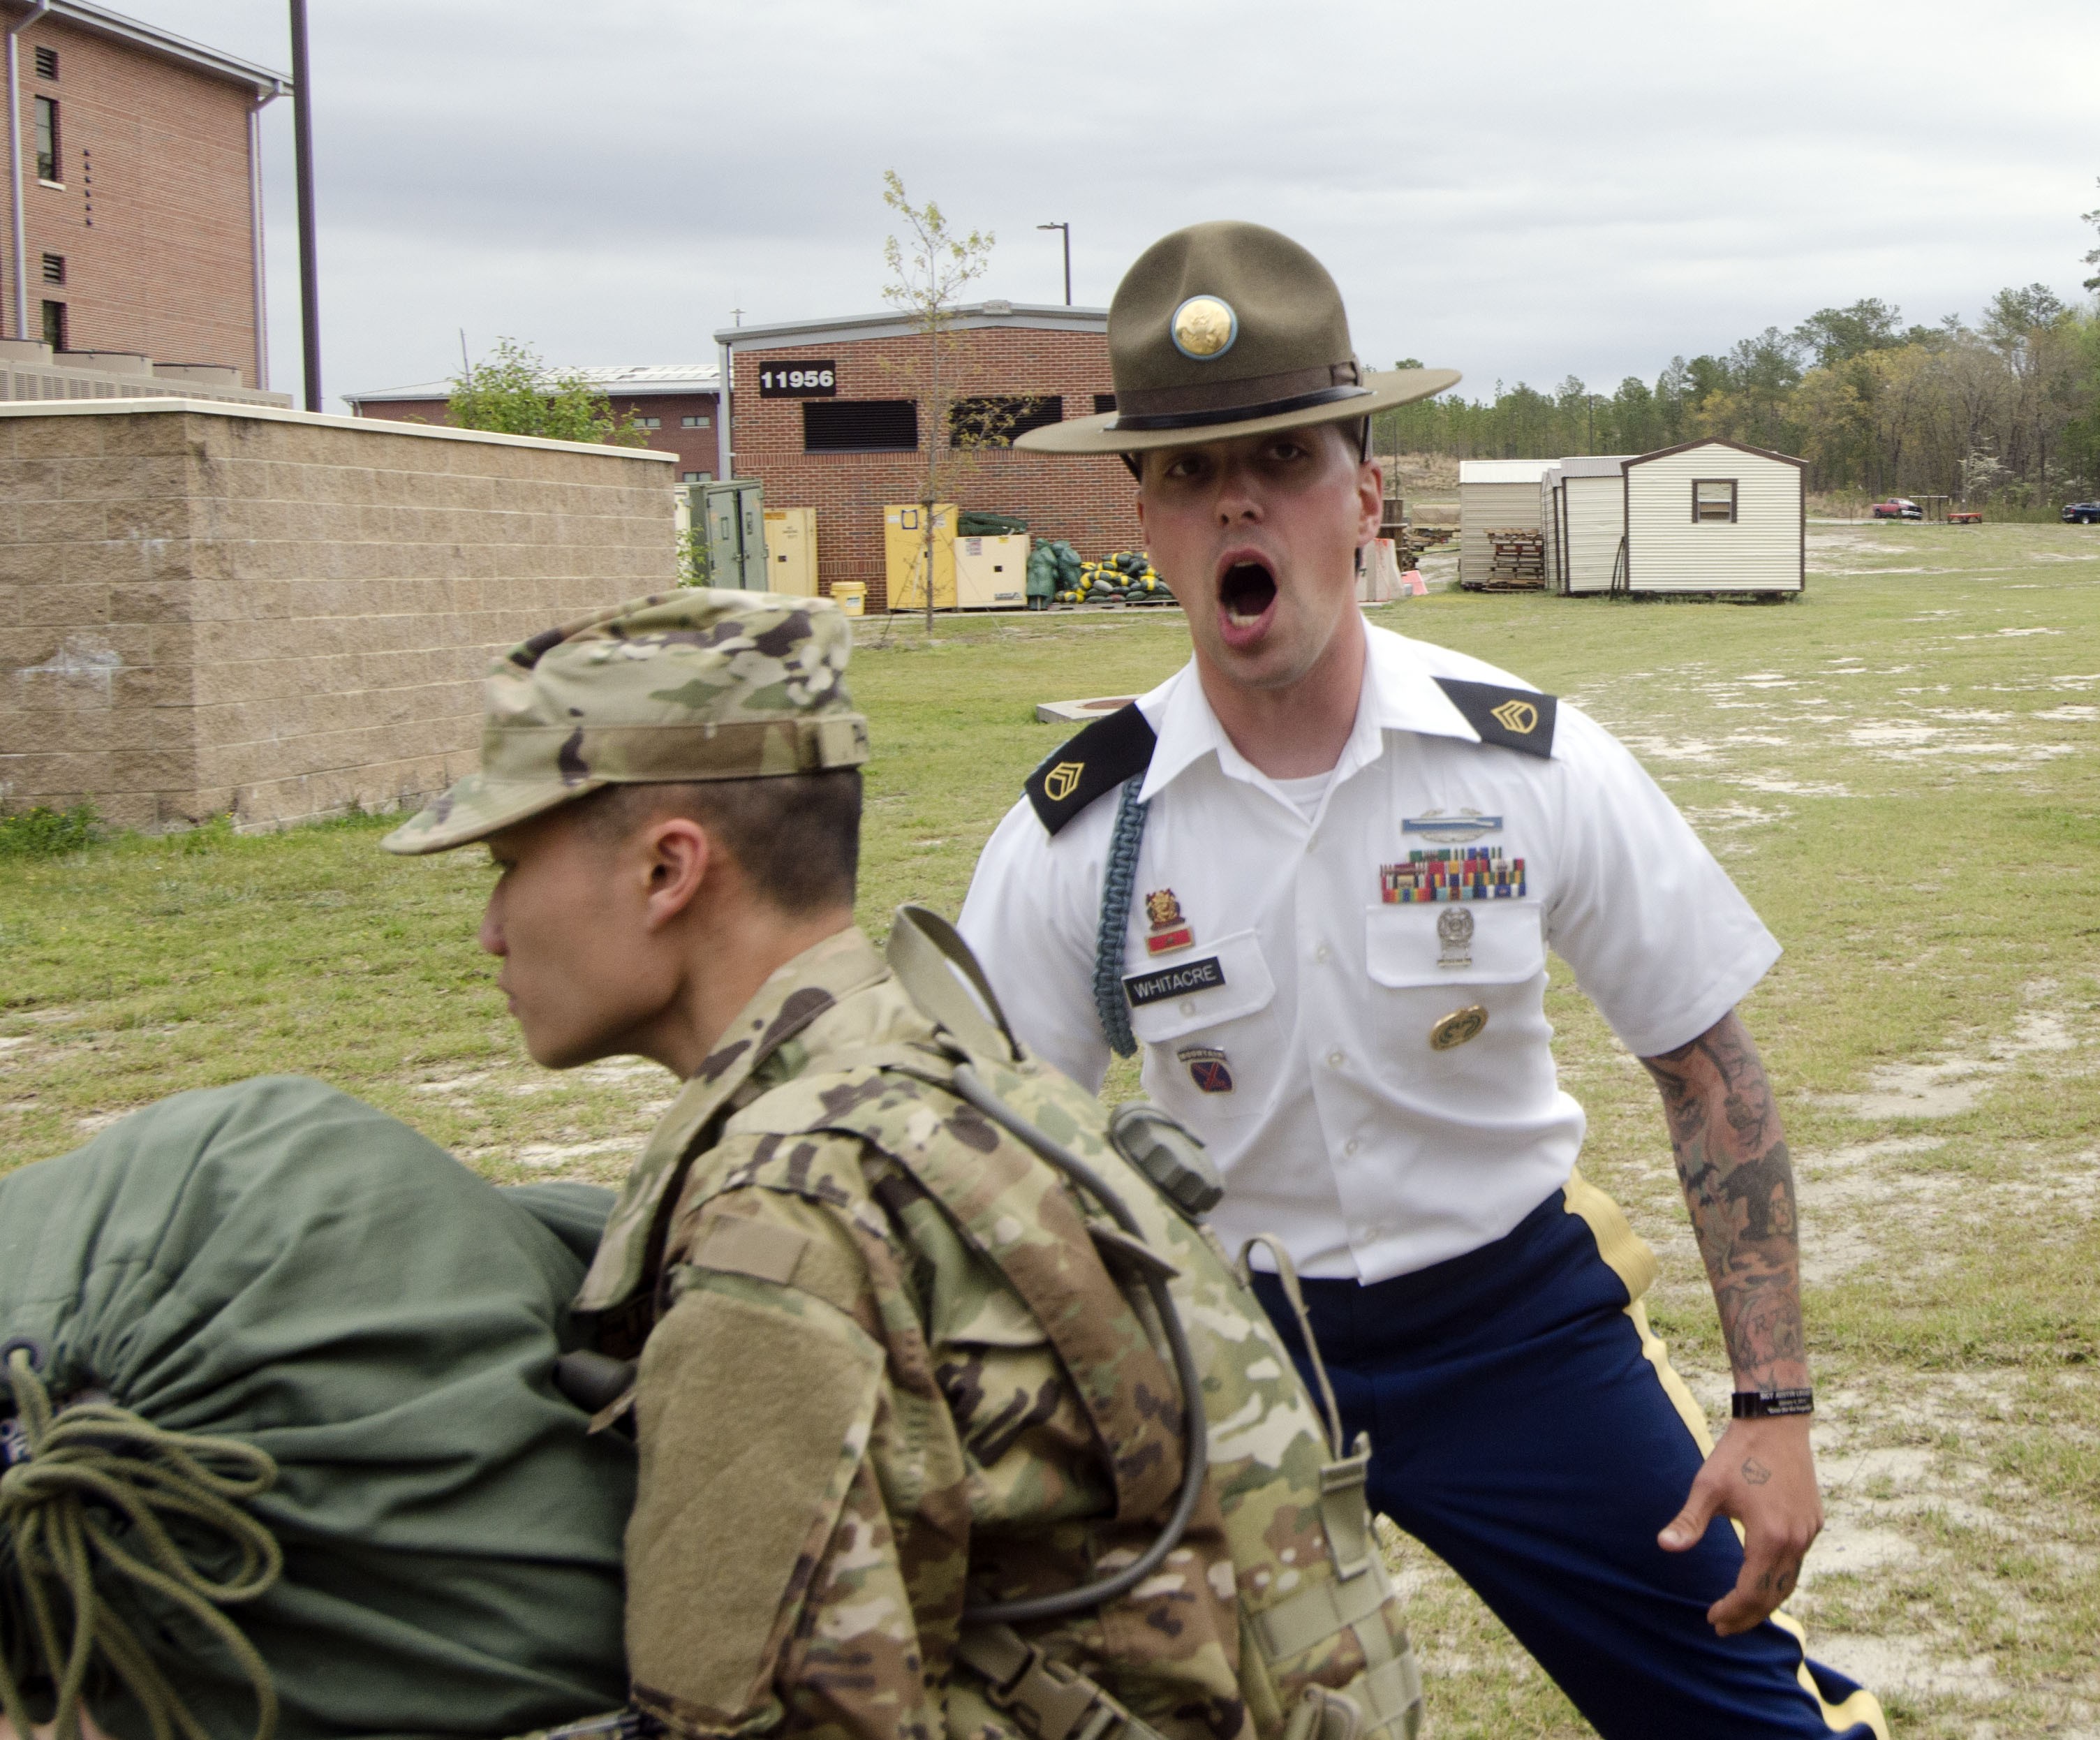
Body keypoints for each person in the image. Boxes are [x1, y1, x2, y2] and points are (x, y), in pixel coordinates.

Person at [957, 221, 1888, 1740]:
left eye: (1282, 453)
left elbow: (1705, 1065)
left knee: (1751, 1718)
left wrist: (1771, 1409)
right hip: (1230, 1359)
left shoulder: (1525, 759)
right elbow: (989, 1172)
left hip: (1518, 1330)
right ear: (1145, 520)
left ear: (1362, 497)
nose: (1234, 496)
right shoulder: (1082, 828)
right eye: (1186, 472)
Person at [378, 593, 1424, 1740]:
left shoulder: (787, 1208)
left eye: (508, 862)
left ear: (667, 871)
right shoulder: (938, 1062)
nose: (490, 926)